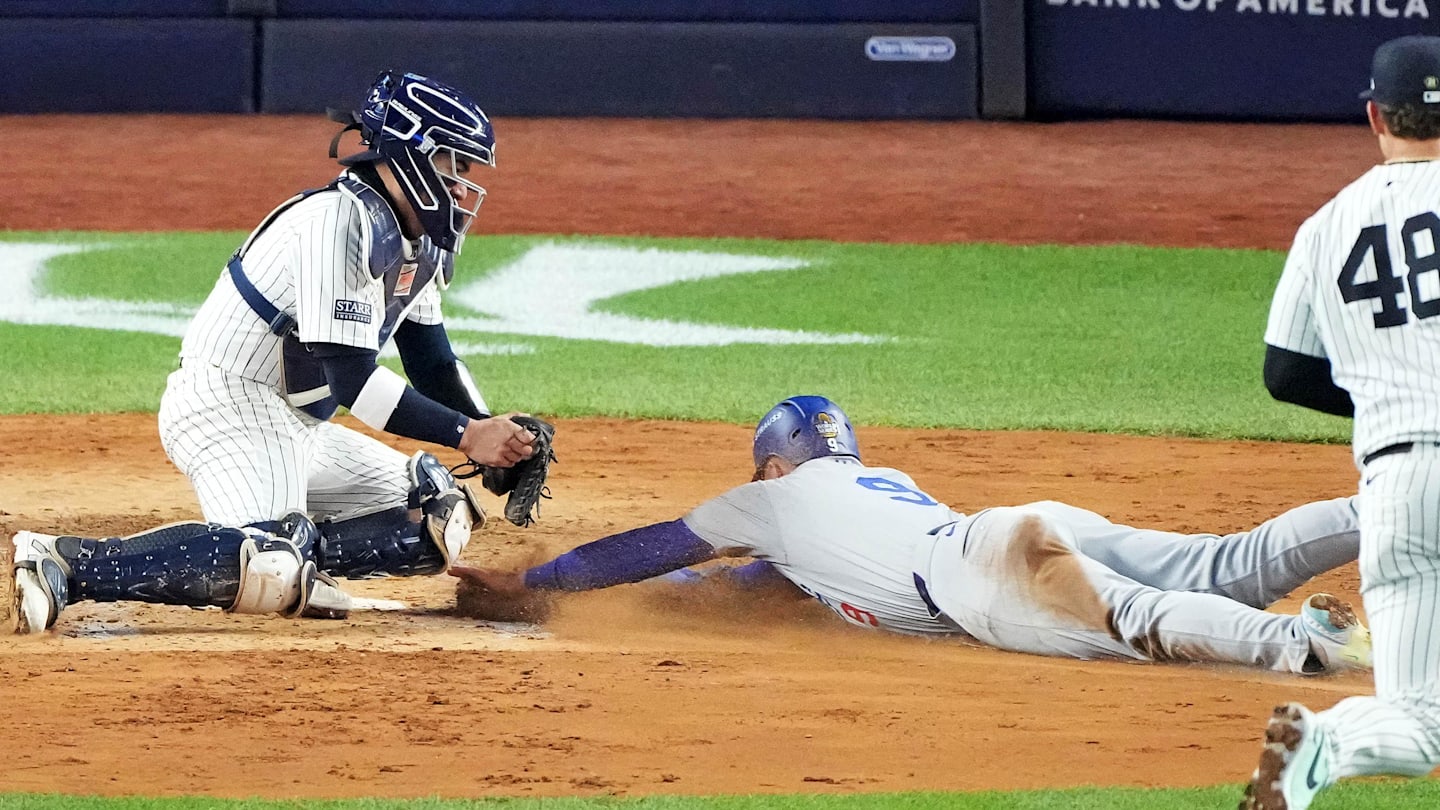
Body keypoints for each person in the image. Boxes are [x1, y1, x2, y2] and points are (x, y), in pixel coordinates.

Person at [10, 70, 540, 633]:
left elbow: (431, 360)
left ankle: (297, 560)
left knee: (437, 512)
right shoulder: (335, 225)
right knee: (269, 564)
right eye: (451, 165)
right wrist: (465, 435)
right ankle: (66, 562)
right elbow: (354, 383)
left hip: (298, 425)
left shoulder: (414, 240)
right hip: (226, 408)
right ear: (409, 156)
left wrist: (493, 433)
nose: (462, 186)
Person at [451, 395, 1371, 677]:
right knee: (1227, 561)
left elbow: (648, 547)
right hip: (1018, 527)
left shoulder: (764, 502)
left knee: (1147, 622)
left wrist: (545, 584)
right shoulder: (877, 486)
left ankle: (1310, 645)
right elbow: (747, 591)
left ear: (773, 462)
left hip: (983, 579)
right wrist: (681, 604)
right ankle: (1392, 506)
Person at [1239, 35, 1440, 810]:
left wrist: (1394, 394)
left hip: (1398, 483)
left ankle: (1322, 743)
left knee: (1422, 724)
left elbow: (1285, 372)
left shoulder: (1326, 225)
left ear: (1373, 116)